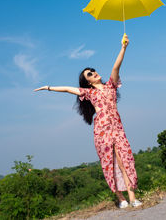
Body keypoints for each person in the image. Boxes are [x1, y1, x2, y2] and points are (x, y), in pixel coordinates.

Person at [34, 34, 142, 208]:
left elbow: (116, 66)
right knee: (109, 162)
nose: (94, 73)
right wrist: (48, 87)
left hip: (117, 129)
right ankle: (121, 199)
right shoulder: (89, 93)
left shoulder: (111, 86)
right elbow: (68, 89)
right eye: (90, 74)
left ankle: (133, 198)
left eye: (93, 70)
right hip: (102, 131)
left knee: (125, 160)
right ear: (88, 82)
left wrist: (123, 47)